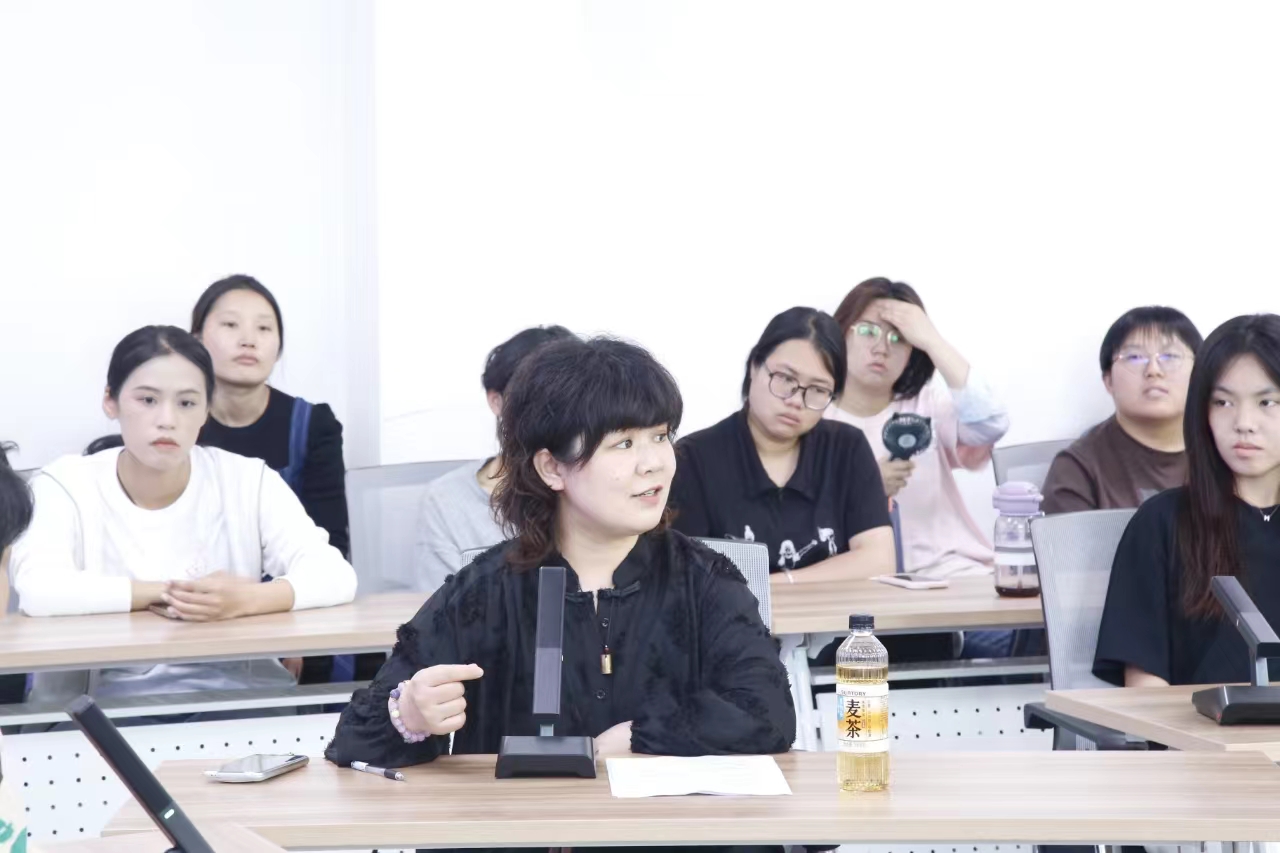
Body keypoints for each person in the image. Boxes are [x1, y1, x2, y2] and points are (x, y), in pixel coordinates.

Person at [326, 337, 795, 828]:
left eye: (661, 436)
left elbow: (769, 712)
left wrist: (639, 735)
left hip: (676, 835)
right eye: (624, 443)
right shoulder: (487, 589)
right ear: (552, 467)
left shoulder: (704, 578)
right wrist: (410, 714)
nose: (654, 462)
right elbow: (352, 737)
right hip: (524, 833)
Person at [9, 326, 357, 701]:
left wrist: (245, 600)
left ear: (207, 410)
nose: (167, 420)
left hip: (241, 701)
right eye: (147, 400)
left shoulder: (248, 480)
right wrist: (175, 594)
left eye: (187, 403)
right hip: (102, 709)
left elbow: (335, 576)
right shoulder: (64, 483)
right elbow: (39, 590)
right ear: (110, 401)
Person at [1095, 314, 1280, 687]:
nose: (1244, 422)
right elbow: (1145, 689)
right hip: (1198, 725)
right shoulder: (1162, 523)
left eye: (1267, 402)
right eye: (1223, 402)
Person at [669, 307, 894, 586]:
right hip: (733, 617)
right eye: (786, 379)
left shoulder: (847, 449)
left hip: (836, 615)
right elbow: (689, 576)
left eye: (818, 389)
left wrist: (776, 585)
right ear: (754, 366)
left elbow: (879, 561)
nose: (796, 400)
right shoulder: (694, 458)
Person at [829, 277, 1010, 579]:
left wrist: (932, 340)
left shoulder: (926, 405)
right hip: (855, 577)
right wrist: (865, 488)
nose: (881, 348)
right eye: (868, 331)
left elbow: (991, 423)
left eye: (899, 338)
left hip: (947, 570)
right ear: (841, 333)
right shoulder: (811, 415)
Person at [191, 275, 350, 557]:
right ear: (197, 341)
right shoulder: (175, 423)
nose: (248, 340)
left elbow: (331, 546)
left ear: (278, 348)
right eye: (230, 325)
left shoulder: (313, 427)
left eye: (263, 328)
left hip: (289, 583)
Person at [413, 325, 574, 592]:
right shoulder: (447, 500)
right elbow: (438, 610)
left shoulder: (598, 492)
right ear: (496, 401)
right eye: (532, 396)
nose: (552, 413)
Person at [1043, 306, 1203, 514]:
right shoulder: (1078, 469)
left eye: (1170, 356)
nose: (1153, 370)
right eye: (1135, 357)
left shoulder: (1227, 452)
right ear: (1108, 380)